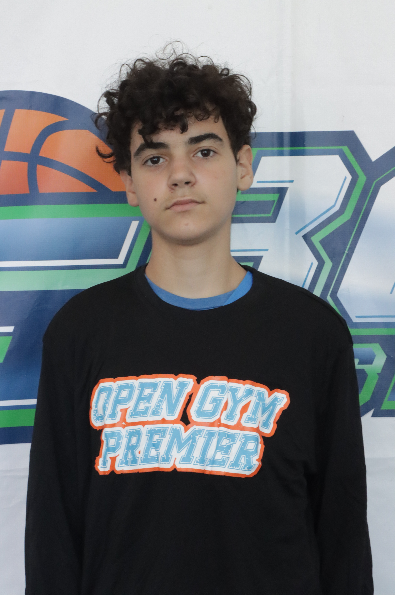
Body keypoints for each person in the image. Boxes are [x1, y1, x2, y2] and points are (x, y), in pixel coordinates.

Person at [25, 49, 373, 595]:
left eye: (204, 151)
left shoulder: (313, 334)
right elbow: (52, 536)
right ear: (130, 183)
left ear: (243, 167)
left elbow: (343, 536)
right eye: (155, 158)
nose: (181, 174)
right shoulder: (79, 333)